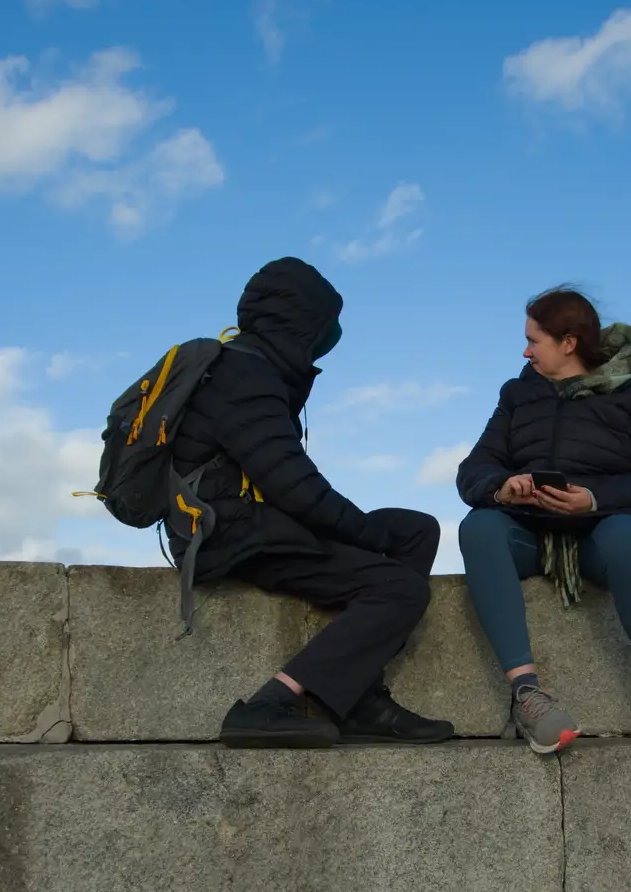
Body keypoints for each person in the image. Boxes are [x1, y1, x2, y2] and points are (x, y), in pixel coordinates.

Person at [169, 257, 455, 749]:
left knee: (417, 528)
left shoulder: (254, 369)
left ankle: (359, 695)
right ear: (299, 329)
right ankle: (268, 704)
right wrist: (367, 535)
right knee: (400, 590)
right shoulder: (242, 377)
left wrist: (372, 532)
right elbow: (295, 487)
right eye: (320, 337)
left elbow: (285, 484)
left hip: (252, 520)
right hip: (230, 535)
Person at [455, 287, 631, 754]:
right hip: (529, 531)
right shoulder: (518, 394)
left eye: (534, 340)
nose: (525, 350)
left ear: (569, 343)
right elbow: (473, 470)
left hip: (605, 532)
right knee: (478, 526)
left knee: (624, 535)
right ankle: (528, 695)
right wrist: (503, 486)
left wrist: (592, 499)